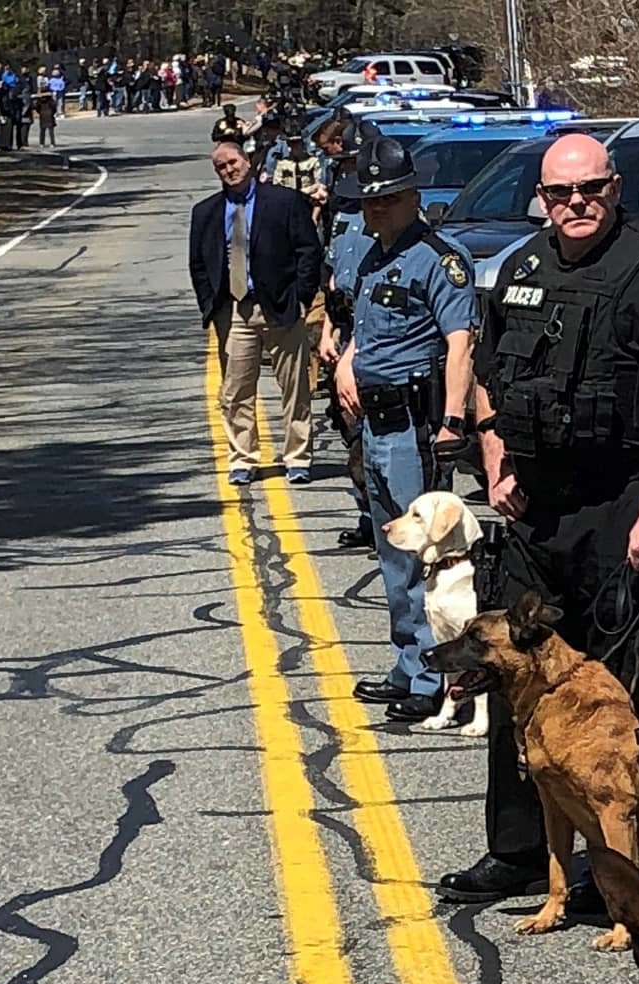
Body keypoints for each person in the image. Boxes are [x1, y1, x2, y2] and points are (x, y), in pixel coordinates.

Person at [437, 133, 639, 903]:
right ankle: (518, 849)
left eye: (591, 189)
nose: (577, 204)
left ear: (613, 188)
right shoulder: (519, 267)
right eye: (560, 193)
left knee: (610, 695)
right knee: (511, 677)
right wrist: (494, 456)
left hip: (619, 505)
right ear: (542, 199)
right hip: (533, 507)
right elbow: (488, 373)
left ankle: (613, 863)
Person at [333, 136, 478, 720]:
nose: (376, 209)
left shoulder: (439, 259)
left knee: (425, 558)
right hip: (373, 421)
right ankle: (409, 664)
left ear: (413, 195)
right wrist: (345, 360)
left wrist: (451, 420)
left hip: (415, 426)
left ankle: (433, 683)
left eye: (388, 200)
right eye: (369, 201)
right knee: (392, 550)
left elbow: (460, 343)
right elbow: (364, 328)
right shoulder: (373, 254)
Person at [189, 140, 321, 487]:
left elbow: (309, 250)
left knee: (294, 387)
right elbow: (198, 264)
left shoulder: (284, 202)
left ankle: (297, 458)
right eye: (221, 166)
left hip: (281, 307)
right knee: (235, 391)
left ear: (247, 161)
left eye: (233, 162)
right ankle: (243, 459)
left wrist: (302, 297)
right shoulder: (205, 212)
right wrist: (212, 304)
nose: (229, 170)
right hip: (234, 311)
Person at [318, 118, 380, 550]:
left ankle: (390, 520)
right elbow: (334, 278)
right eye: (345, 164)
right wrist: (326, 330)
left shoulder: (388, 215)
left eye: (355, 162)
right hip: (343, 330)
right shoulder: (343, 211)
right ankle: (366, 515)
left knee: (380, 439)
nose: (347, 171)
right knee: (350, 432)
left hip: (376, 334)